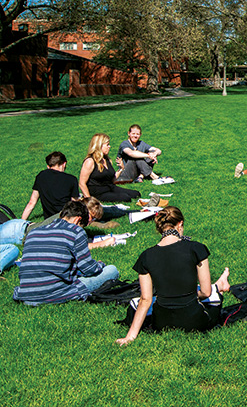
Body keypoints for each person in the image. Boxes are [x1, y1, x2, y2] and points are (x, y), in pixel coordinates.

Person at [115, 206, 231, 345]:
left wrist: (130, 337)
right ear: (180, 224)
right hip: (194, 321)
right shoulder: (196, 248)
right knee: (213, 299)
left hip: (161, 323)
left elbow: (145, 300)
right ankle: (220, 285)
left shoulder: (146, 256)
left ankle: (219, 284)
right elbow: (206, 293)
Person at [13, 200, 119, 305]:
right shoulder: (76, 231)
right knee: (111, 270)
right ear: (78, 220)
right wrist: (100, 265)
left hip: (26, 295)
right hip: (53, 294)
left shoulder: (33, 233)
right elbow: (88, 269)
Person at [80, 133, 141, 202]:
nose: (109, 146)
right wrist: (89, 200)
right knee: (125, 198)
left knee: (136, 194)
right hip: (98, 192)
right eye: (107, 144)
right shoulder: (90, 161)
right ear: (99, 146)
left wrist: (121, 169)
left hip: (110, 187)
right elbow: (82, 183)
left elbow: (112, 180)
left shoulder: (107, 160)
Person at [21, 151, 79, 220]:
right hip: (65, 218)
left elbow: (31, 203)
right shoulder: (71, 179)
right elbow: (74, 204)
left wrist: (21, 222)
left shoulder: (41, 176)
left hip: (49, 220)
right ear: (64, 164)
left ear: (48, 166)